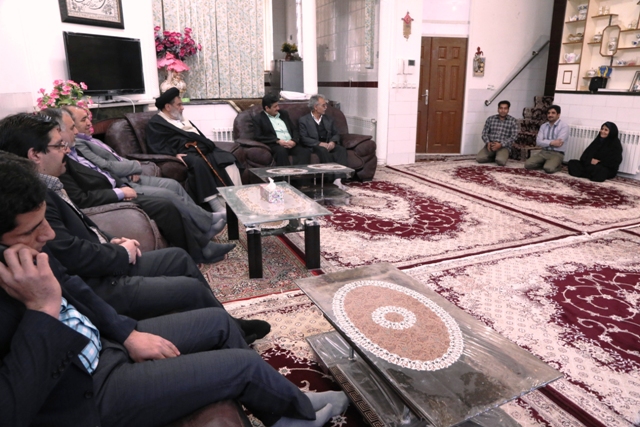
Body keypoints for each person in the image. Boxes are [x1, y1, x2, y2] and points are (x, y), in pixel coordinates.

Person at [0, 153, 350, 427]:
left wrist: (127, 334)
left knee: (218, 322)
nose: (48, 235)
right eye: (31, 230)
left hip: (104, 346)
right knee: (243, 366)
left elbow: (75, 287)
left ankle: (284, 407)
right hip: (88, 392)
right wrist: (43, 311)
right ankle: (294, 414)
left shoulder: (25, 252)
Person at [0, 115, 266, 338]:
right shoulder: (32, 202)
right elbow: (70, 253)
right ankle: (227, 330)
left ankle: (230, 324)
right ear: (35, 154)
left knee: (178, 257)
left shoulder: (48, 186)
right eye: (59, 145)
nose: (66, 149)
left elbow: (83, 226)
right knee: (189, 287)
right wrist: (119, 253)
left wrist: (111, 240)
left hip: (104, 259)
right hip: (101, 280)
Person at [41, 109, 234, 264]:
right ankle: (200, 247)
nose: (76, 131)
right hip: (113, 195)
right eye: (73, 127)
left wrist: (125, 175)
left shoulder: (73, 151)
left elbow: (105, 167)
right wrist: (120, 190)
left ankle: (202, 237)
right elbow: (85, 192)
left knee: (170, 191)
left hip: (119, 184)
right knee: (166, 203)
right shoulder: (60, 161)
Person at [65, 105, 226, 238]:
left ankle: (205, 220)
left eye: (88, 118)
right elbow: (105, 166)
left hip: (128, 176)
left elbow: (117, 159)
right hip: (124, 182)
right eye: (83, 120)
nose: (89, 123)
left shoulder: (91, 139)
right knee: (168, 194)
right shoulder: (79, 144)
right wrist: (134, 166)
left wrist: (130, 166)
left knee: (173, 185)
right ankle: (205, 225)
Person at [146, 88, 242, 212]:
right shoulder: (156, 123)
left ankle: (235, 200)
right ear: (168, 107)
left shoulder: (182, 120)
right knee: (198, 163)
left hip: (201, 149)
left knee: (228, 158)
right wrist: (173, 154)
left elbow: (200, 136)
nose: (182, 108)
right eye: (179, 105)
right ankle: (216, 205)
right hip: (186, 152)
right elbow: (155, 145)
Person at [298, 94, 349, 189]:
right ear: (315, 107)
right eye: (323, 105)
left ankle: (338, 179)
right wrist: (319, 143)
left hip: (328, 144)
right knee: (322, 150)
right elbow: (303, 138)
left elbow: (336, 133)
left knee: (341, 150)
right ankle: (332, 178)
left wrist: (333, 142)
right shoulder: (304, 120)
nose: (326, 107)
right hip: (314, 145)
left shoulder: (329, 119)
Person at [252, 92, 311, 166]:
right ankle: (285, 173)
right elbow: (258, 136)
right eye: (275, 106)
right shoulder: (259, 119)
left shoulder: (283, 114)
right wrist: (277, 141)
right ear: (267, 108)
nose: (278, 108)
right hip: (276, 145)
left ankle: (300, 173)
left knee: (305, 152)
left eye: (278, 105)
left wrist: (294, 141)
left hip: (291, 143)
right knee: (281, 151)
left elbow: (294, 129)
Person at [524, 105, 569, 174]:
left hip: (557, 153)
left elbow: (558, 143)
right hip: (544, 152)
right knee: (528, 165)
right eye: (548, 113)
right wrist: (551, 143)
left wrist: (544, 141)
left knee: (549, 169)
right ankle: (546, 164)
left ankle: (557, 166)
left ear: (558, 115)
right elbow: (538, 142)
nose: (550, 115)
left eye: (553, 113)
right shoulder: (543, 126)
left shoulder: (564, 126)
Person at [476, 100, 518, 166]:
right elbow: (484, 133)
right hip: (491, 145)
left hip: (504, 146)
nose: (503, 110)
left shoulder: (513, 121)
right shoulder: (490, 119)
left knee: (501, 162)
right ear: (498, 109)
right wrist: (488, 142)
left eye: (505, 108)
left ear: (508, 110)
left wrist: (501, 144)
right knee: (479, 159)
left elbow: (514, 136)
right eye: (501, 108)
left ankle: (500, 156)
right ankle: (494, 157)